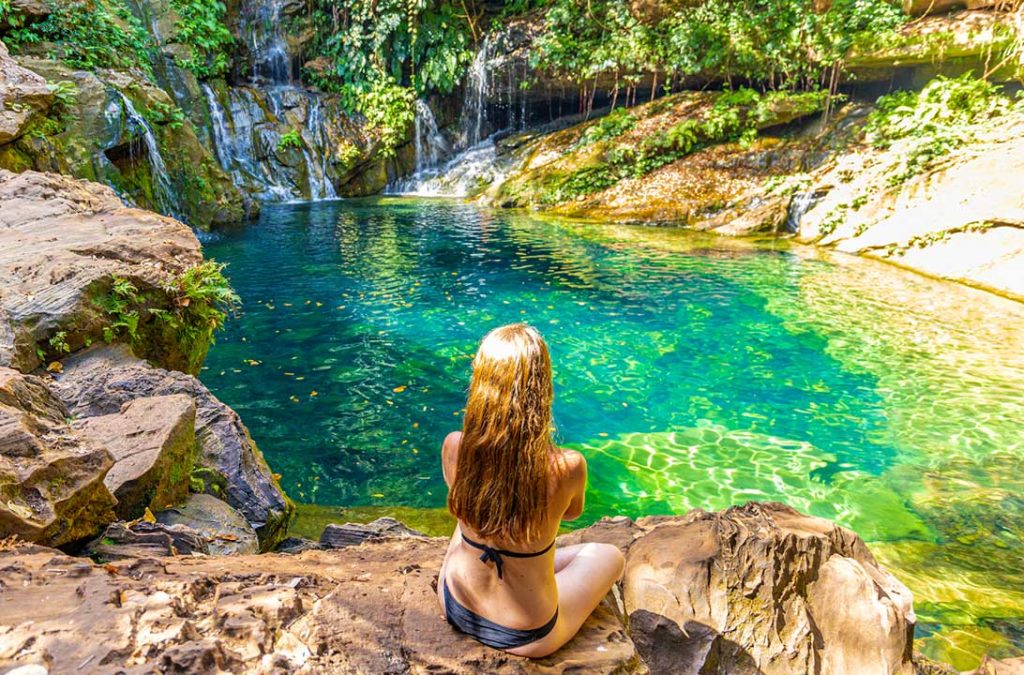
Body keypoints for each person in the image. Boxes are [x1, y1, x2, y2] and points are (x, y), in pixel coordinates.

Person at [436, 323, 625, 658]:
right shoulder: (566, 466)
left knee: (473, 507)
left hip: (454, 601)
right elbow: (572, 513)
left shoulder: (454, 446)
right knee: (609, 556)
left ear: (480, 381)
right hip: (526, 634)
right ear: (541, 387)